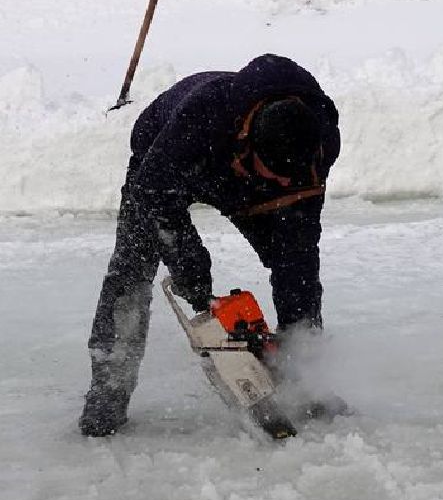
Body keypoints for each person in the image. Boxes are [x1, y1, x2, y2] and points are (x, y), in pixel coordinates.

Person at [80, 54, 341, 437]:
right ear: (251, 146)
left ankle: (303, 384)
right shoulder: (198, 124)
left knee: (296, 266)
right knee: (131, 271)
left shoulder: (319, 140)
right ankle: (107, 398)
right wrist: (192, 273)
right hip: (167, 161)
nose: (288, 183)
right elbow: (155, 197)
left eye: (294, 174)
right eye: (279, 173)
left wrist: (303, 350)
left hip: (246, 176)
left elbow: (299, 253)